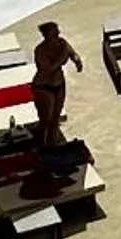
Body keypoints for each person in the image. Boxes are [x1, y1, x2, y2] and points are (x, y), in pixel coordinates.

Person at [30, 19, 82, 149]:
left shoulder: (62, 43)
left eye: (57, 32)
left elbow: (73, 54)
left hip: (59, 84)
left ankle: (52, 145)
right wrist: (62, 57)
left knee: (55, 118)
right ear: (47, 36)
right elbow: (47, 70)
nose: (58, 35)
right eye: (54, 34)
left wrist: (77, 61)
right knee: (45, 120)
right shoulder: (40, 50)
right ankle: (42, 145)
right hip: (43, 87)